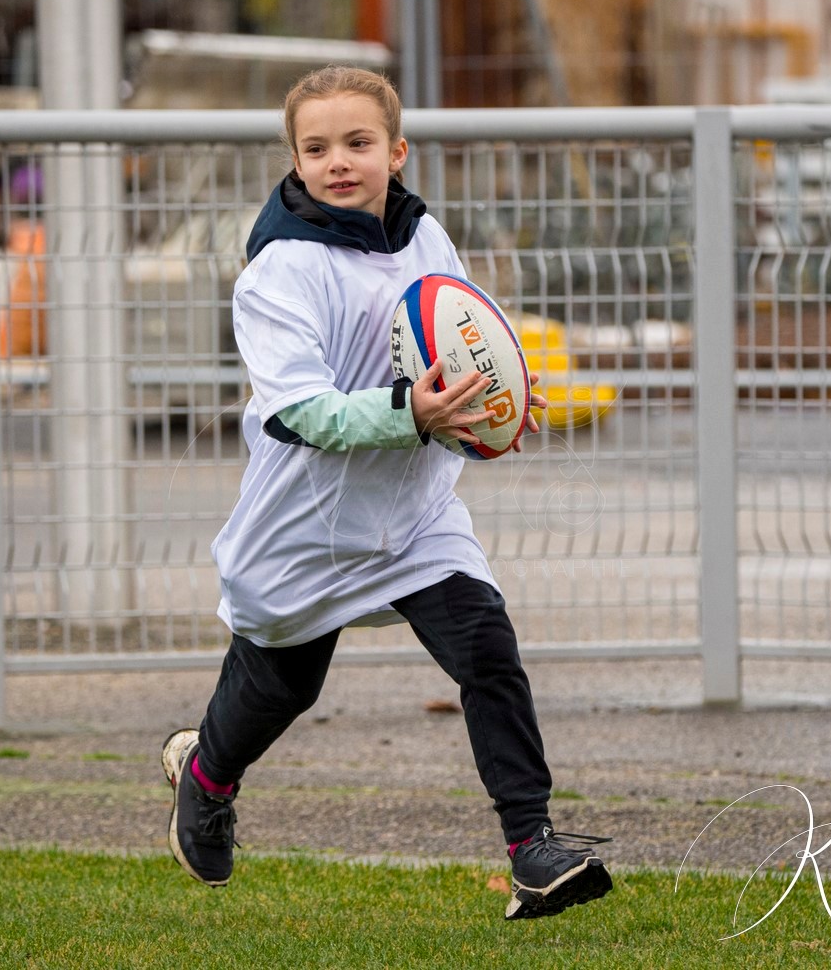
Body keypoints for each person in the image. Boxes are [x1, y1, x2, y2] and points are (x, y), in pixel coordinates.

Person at [161, 64, 612, 920]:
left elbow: (465, 343)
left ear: (396, 152)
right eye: (317, 146)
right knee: (286, 686)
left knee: (487, 650)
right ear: (294, 159)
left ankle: (533, 850)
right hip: (306, 526)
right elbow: (297, 411)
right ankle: (207, 776)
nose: (339, 161)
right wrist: (414, 411)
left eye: (359, 143)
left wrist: (501, 396)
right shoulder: (279, 272)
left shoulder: (425, 238)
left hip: (415, 515)